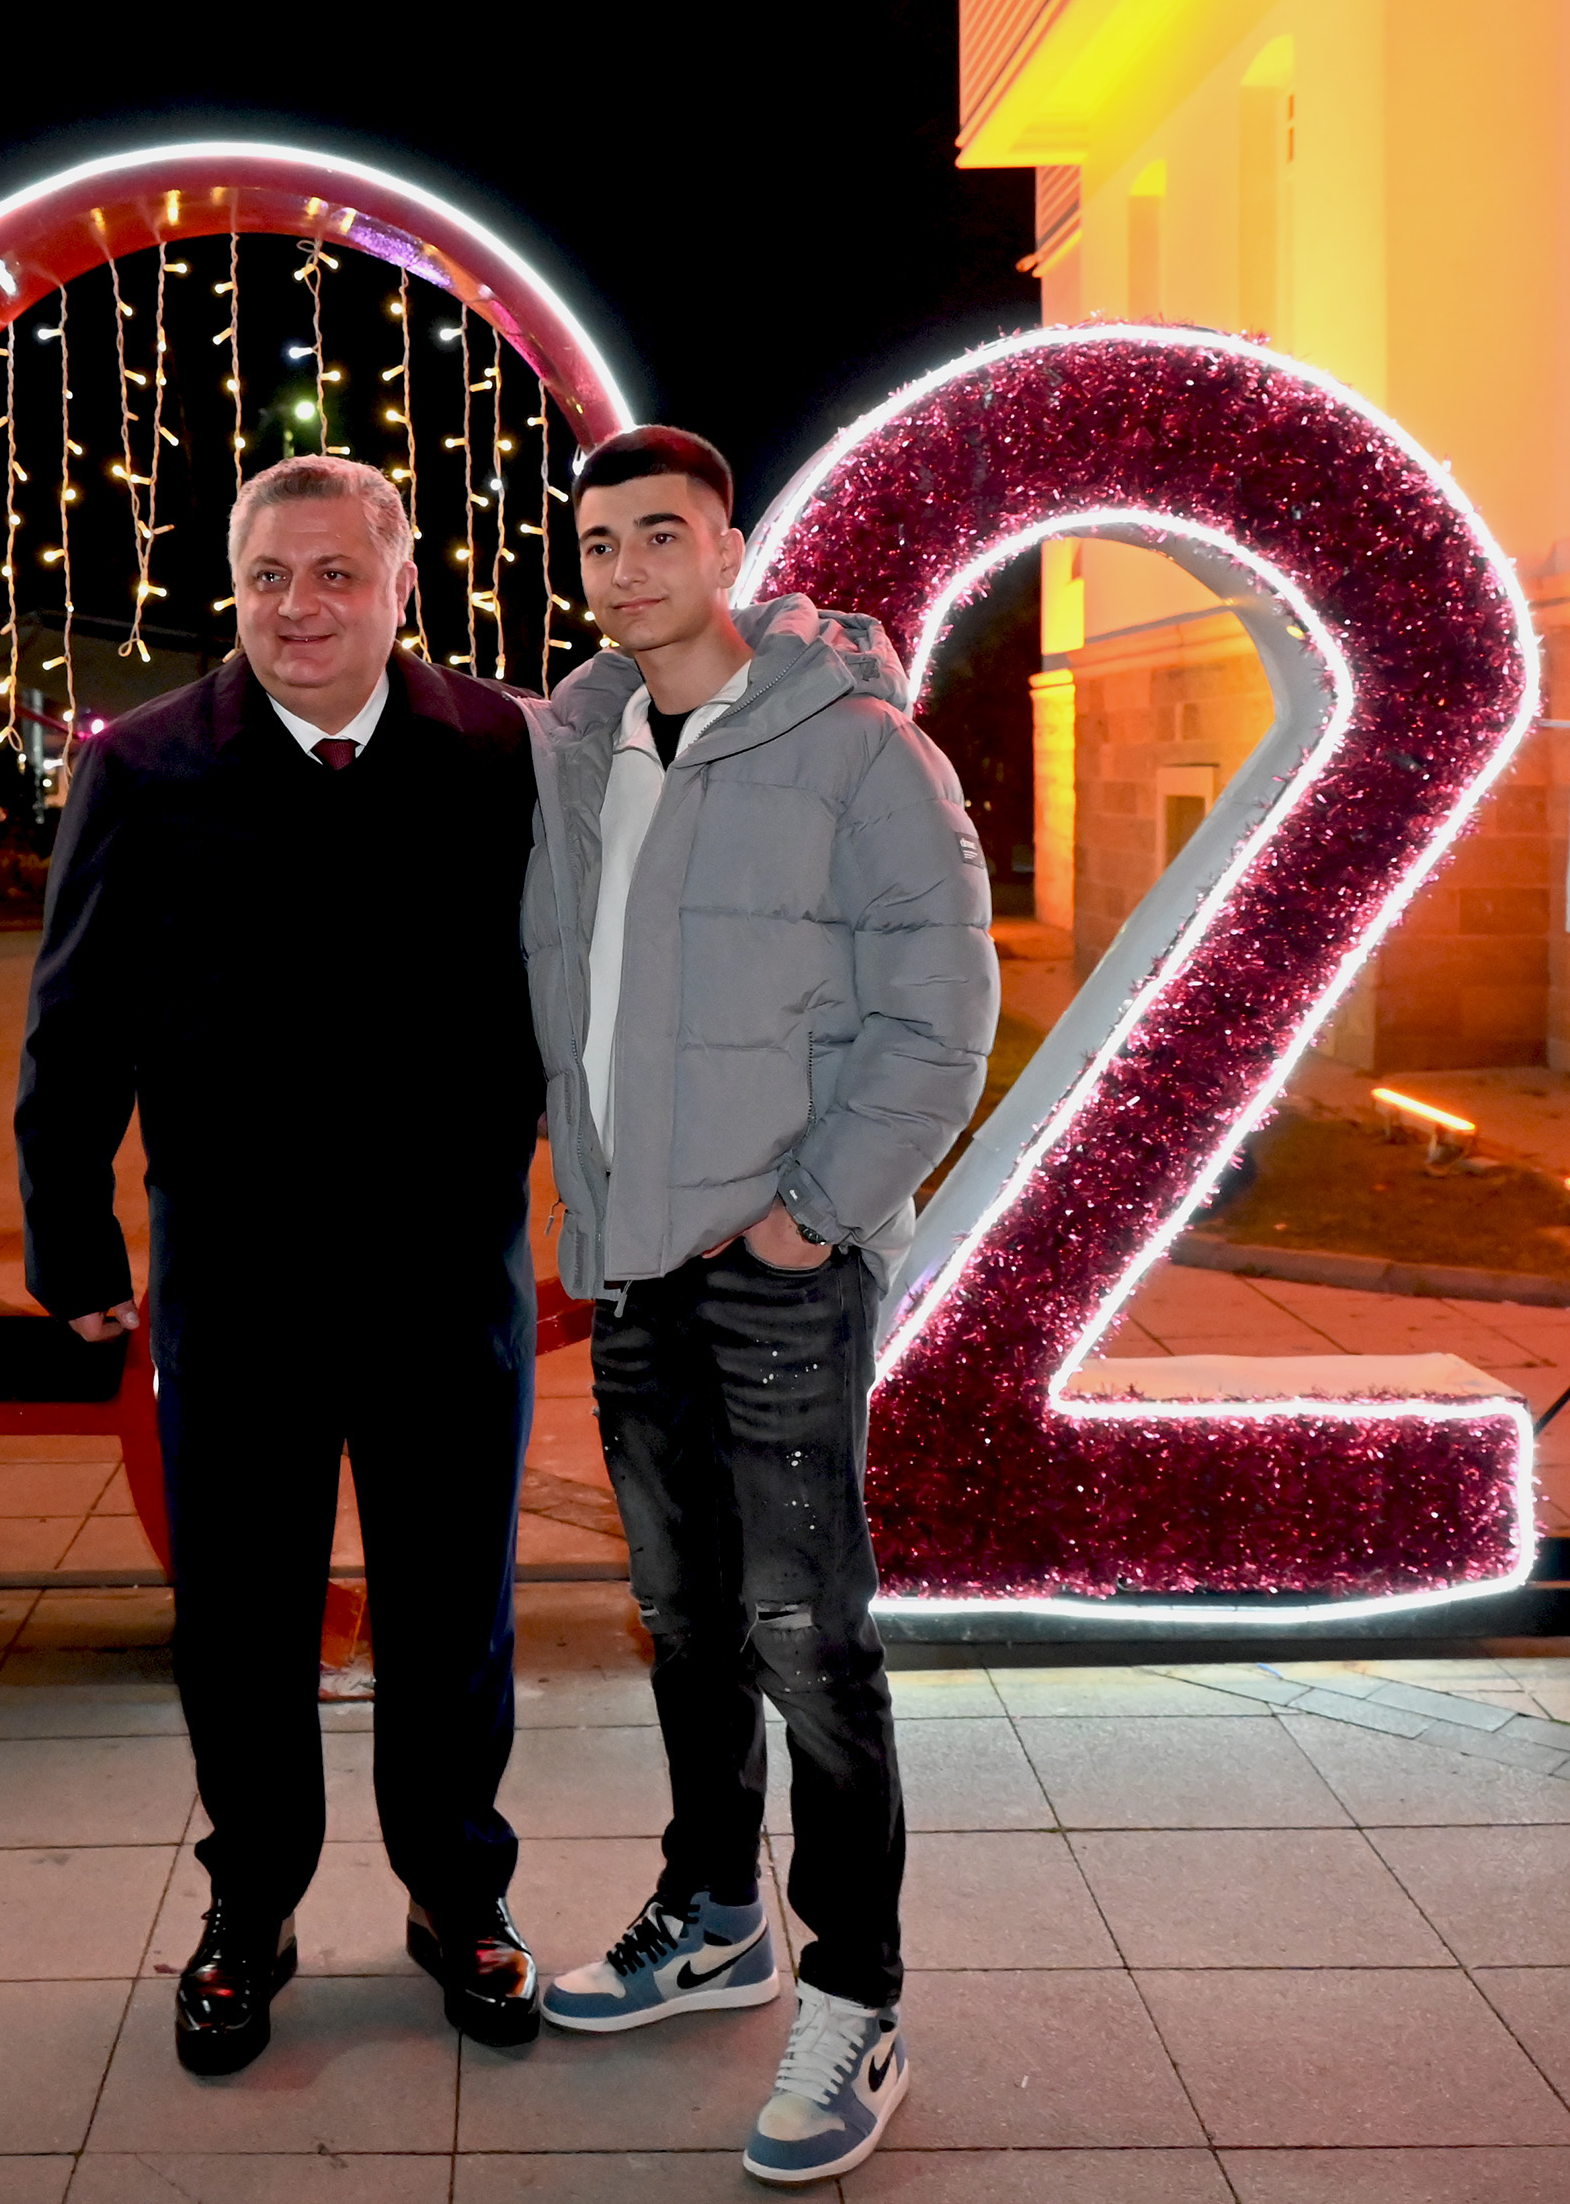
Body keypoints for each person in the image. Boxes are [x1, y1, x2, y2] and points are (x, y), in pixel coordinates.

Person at [17, 453, 548, 2079]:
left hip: (447, 1269)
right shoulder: (145, 764)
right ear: (234, 589)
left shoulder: (507, 751)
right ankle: (250, 1907)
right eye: (267, 576)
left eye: (333, 574)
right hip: (235, 1280)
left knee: (452, 1607)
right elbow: (73, 1019)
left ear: (401, 586)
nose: (298, 607)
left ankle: (458, 1894)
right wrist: (69, 1237)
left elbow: (578, 988)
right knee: (242, 1618)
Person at [521, 425, 997, 2188]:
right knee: (682, 1617)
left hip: (778, 1270)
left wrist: (816, 1217)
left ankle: (857, 1989)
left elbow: (941, 1009)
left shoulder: (859, 746)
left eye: (661, 535)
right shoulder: (574, 752)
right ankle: (717, 1914)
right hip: (635, 1262)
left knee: (807, 1634)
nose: (628, 569)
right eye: (599, 544)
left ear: (729, 548)